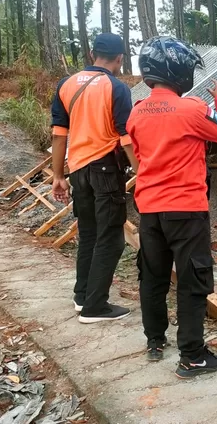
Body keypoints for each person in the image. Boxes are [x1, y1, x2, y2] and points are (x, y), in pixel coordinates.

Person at [126, 36, 217, 378]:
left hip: (149, 209)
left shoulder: (136, 112)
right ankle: (192, 355)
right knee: (193, 280)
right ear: (177, 71)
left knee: (153, 277)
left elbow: (139, 154)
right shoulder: (191, 108)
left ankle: (155, 340)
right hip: (186, 210)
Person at [50, 33, 139, 324]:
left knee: (88, 232)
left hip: (77, 171)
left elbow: (59, 134)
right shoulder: (116, 88)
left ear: (91, 53)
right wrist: (141, 170)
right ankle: (95, 306)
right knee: (112, 237)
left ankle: (82, 295)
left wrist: (58, 177)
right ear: (120, 58)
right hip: (104, 169)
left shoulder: (65, 85)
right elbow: (126, 138)